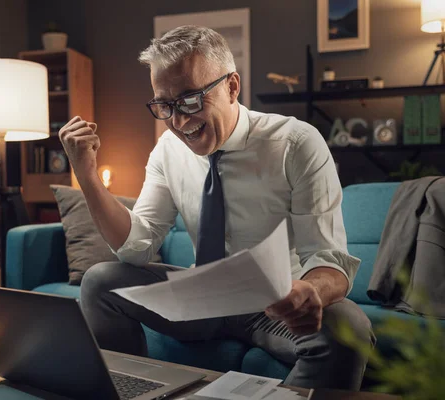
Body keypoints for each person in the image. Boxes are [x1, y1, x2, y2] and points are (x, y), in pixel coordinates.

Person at [58, 25, 374, 390]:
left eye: (191, 99)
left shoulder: (295, 143)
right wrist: (87, 175)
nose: (179, 121)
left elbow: (329, 260)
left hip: (275, 305)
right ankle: (133, 393)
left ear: (232, 87)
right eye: (165, 105)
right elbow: (137, 246)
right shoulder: (167, 150)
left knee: (349, 328)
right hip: (201, 298)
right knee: (100, 281)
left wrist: (310, 291)